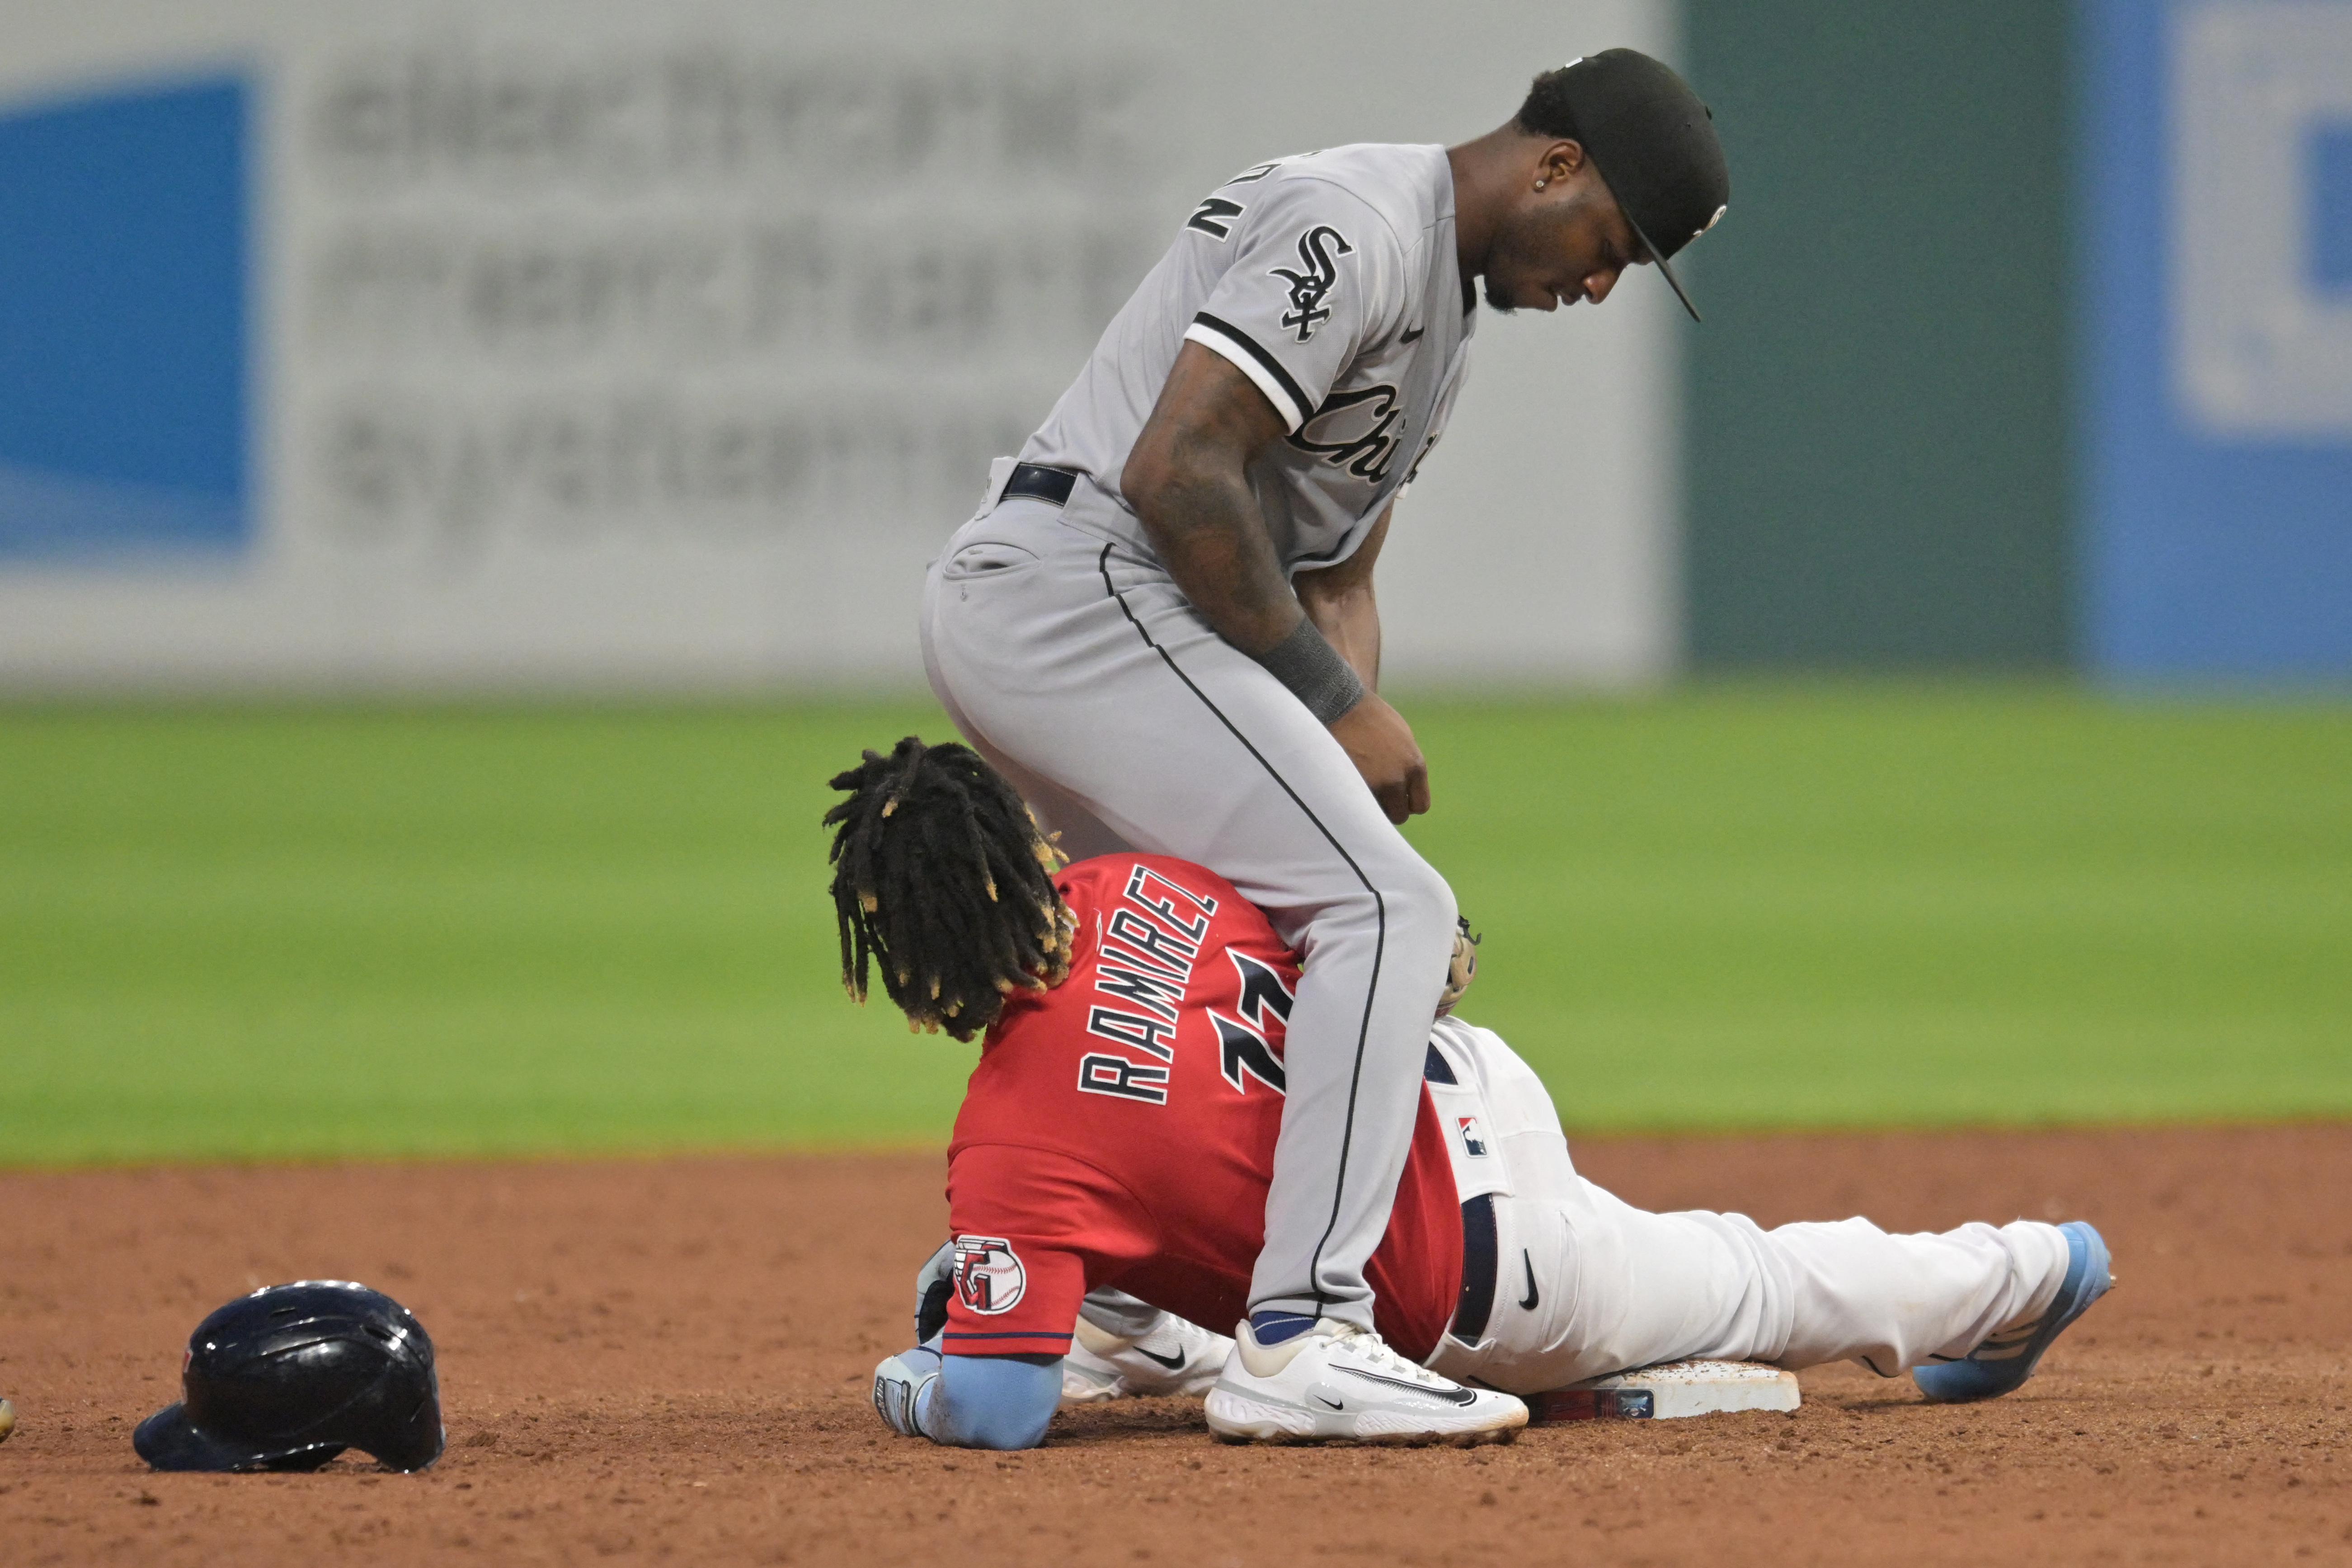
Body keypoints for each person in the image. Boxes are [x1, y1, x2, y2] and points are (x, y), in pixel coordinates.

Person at [918, 49, 1733, 1420]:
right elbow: (1176, 471)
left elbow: (1331, 579)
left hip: (1101, 610)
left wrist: (1338, 772)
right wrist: (1333, 716)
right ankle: (1307, 1330)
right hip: (1076, 586)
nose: (1600, 284)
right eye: (1613, 243)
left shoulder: (1440, 320)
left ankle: (1106, 1312)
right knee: (1381, 912)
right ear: (1554, 165)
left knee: (1216, 933)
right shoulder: (1354, 227)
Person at [828, 739, 2115, 1450]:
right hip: (1466, 1086)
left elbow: (993, 1412)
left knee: (1760, 1283)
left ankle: (2026, 1269)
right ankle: (1145, 1335)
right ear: (1024, 850)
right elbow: (1385, 960)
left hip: (1493, 1280)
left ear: (906, 952)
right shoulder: (1144, 884)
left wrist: (906, 1381)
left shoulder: (1009, 1144)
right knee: (1103, 1221)